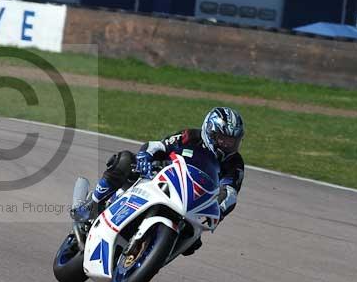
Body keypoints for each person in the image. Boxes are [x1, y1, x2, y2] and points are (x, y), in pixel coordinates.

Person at [71, 107, 245, 256]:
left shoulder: (235, 163)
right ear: (210, 132)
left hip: (192, 203)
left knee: (192, 243)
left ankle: (154, 253)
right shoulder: (190, 136)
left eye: (233, 141)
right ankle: (91, 205)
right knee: (124, 160)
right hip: (159, 178)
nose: (227, 145)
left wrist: (219, 211)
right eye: (223, 139)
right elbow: (159, 146)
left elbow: (229, 193)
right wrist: (145, 156)